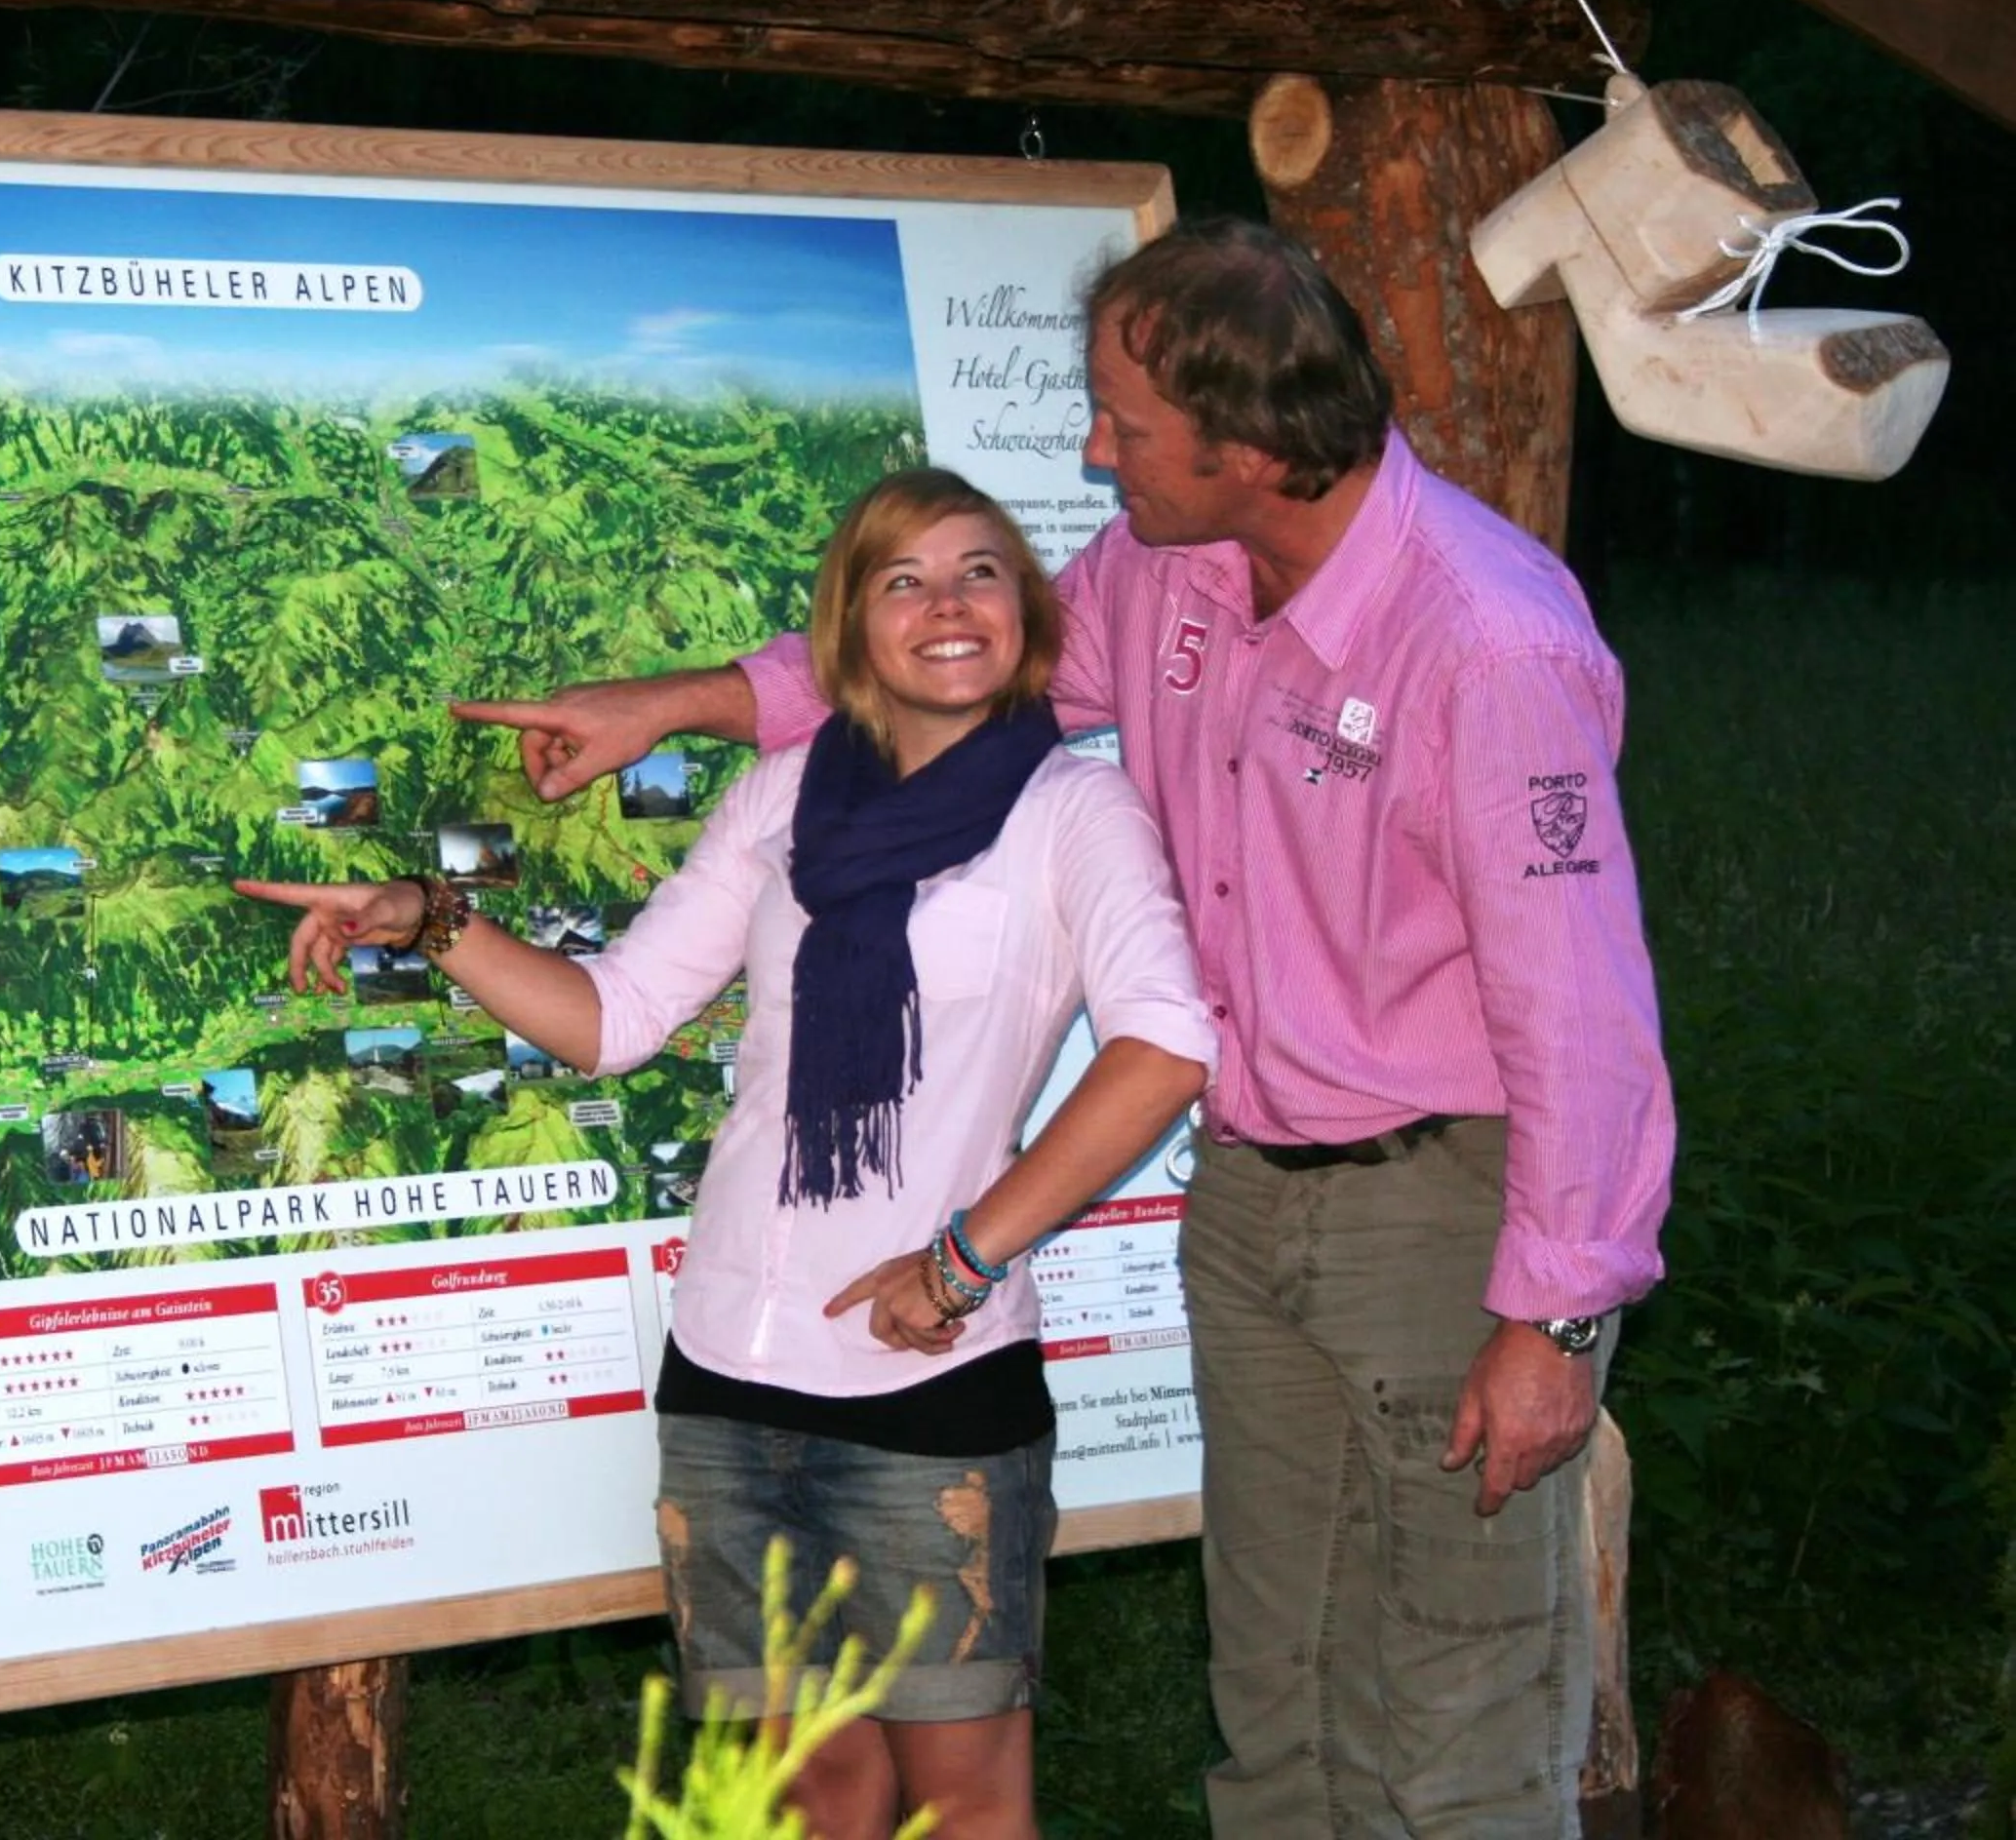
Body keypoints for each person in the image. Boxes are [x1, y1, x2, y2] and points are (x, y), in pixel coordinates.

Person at [451, 217, 1676, 1840]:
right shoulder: (1172, 570)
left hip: (1441, 1206)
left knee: (1449, 1704)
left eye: (1126, 425)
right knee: (1278, 1690)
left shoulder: (1485, 641)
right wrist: (668, 706)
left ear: (1247, 446)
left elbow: (1585, 1010)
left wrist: (1561, 1316)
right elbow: (947, 669)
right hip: (1251, 1197)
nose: (1094, 453)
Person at [240, 469, 1214, 1840]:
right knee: (804, 1793)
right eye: (903, 581)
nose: (947, 606)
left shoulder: (1072, 813)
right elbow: (617, 1017)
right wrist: (426, 918)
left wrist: (961, 1260)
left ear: (1031, 615)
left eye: (981, 572)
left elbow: (1165, 1049)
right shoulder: (781, 796)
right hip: (728, 1378)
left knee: (967, 1801)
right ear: (848, 629)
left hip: (928, 1384)